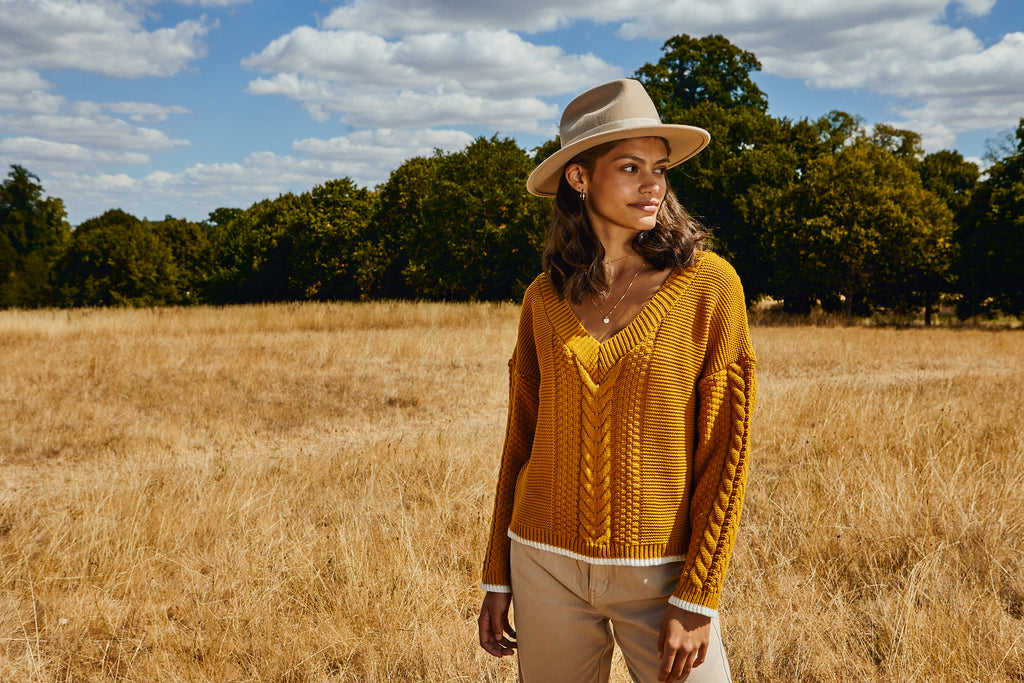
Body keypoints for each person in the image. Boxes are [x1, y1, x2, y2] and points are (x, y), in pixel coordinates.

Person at [476, 78, 757, 682]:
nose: (652, 183)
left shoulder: (709, 287)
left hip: (662, 573)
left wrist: (699, 595)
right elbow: (520, 439)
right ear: (580, 178)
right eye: (630, 166)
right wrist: (498, 571)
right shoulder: (542, 300)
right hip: (543, 564)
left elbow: (725, 451)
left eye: (659, 168)